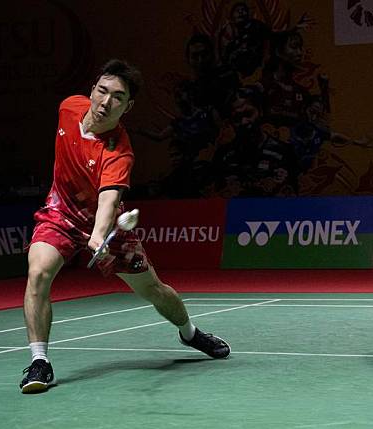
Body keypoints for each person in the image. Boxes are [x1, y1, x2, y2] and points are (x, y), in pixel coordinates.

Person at [20, 59, 230, 394]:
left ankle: (190, 332)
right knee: (39, 273)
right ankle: (39, 361)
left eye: (117, 97)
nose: (106, 102)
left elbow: (108, 199)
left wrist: (99, 234)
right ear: (91, 90)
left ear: (128, 106)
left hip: (107, 229)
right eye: (102, 91)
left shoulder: (119, 152)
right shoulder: (68, 108)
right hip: (60, 215)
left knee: (154, 290)